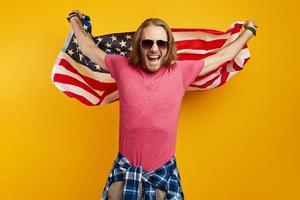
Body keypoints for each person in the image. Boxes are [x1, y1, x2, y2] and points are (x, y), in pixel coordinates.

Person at [67, 10, 257, 200]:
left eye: (161, 43)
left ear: (168, 46)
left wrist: (248, 30)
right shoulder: (121, 66)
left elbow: (223, 56)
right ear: (139, 46)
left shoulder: (181, 71)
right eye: (148, 42)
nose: (154, 49)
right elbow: (89, 49)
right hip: (125, 175)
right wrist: (74, 20)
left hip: (163, 177)